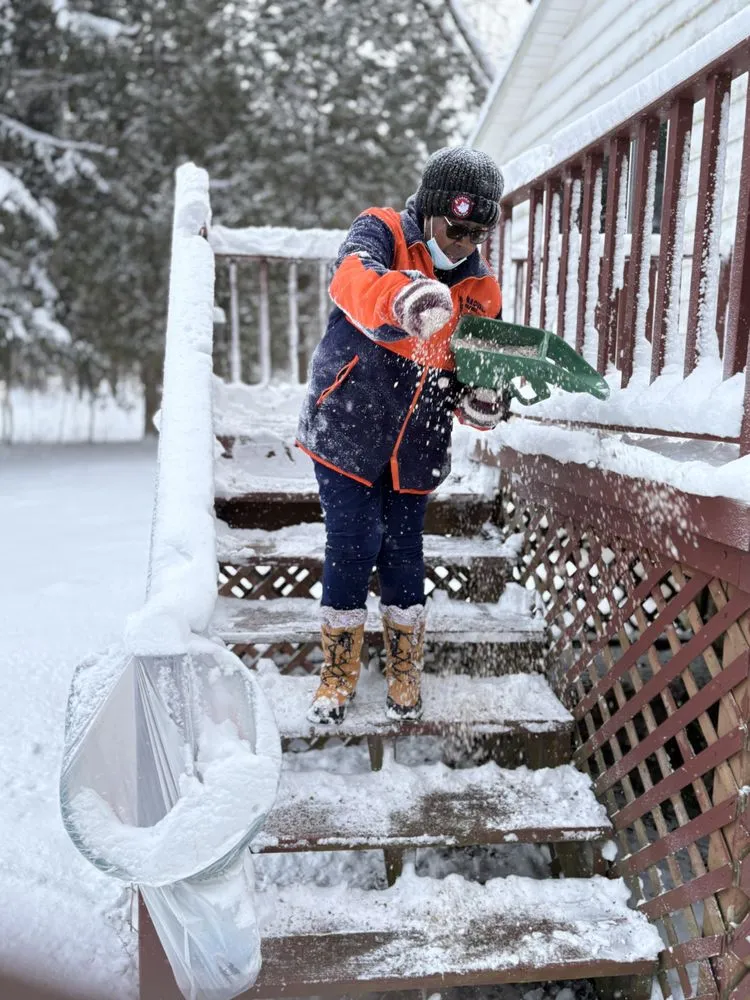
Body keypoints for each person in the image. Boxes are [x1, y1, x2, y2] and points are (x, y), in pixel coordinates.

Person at [296, 146, 509, 725]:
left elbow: (469, 371)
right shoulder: (381, 231)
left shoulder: (480, 289)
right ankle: (338, 673)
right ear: (432, 208)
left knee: (402, 552)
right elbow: (351, 280)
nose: (464, 242)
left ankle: (404, 672)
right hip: (347, 427)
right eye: (456, 227)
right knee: (355, 542)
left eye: (477, 232)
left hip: (416, 445)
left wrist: (479, 398)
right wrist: (402, 298)